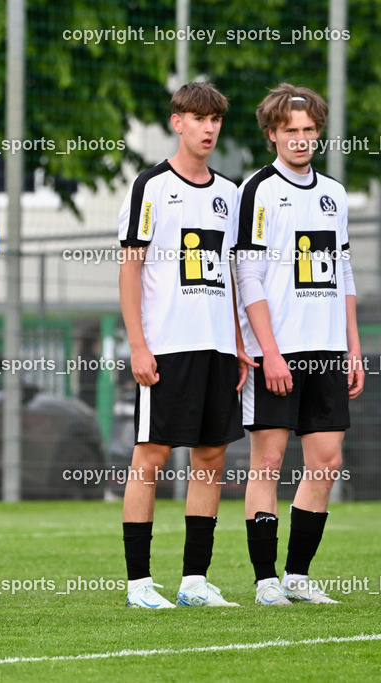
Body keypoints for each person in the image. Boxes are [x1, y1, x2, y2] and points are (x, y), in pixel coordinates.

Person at [118, 82, 253, 608]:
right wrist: (138, 344)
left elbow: (235, 273)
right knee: (149, 458)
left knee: (212, 457)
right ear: (177, 122)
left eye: (216, 120)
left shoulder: (231, 193)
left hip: (218, 346)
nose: (209, 128)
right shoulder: (150, 185)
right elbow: (131, 270)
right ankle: (139, 584)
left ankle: (194, 580)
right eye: (199, 119)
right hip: (167, 345)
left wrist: (239, 341)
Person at [235, 84, 363, 605]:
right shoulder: (258, 190)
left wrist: (353, 349)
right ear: (272, 134)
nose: (302, 139)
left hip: (329, 349)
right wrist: (269, 352)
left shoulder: (334, 193)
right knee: (267, 462)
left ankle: (298, 576)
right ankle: (265, 580)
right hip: (278, 351)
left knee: (327, 462)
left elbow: (345, 273)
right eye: (291, 131)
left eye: (310, 130)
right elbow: (249, 275)